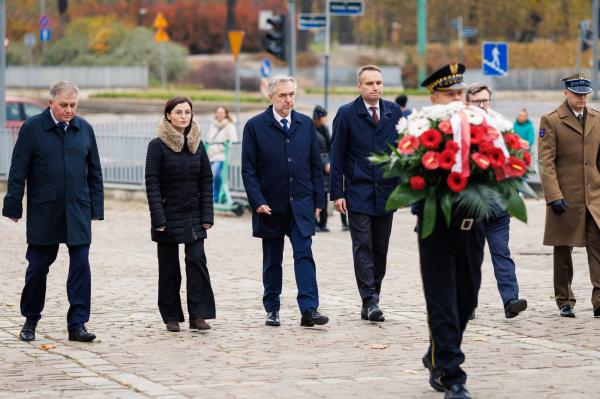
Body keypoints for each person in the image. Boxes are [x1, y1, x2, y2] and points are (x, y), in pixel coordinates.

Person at [2, 80, 103, 342]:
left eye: (73, 105)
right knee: (37, 267)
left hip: (78, 209)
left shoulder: (85, 129)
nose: (69, 110)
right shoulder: (33, 128)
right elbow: (18, 170)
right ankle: (30, 320)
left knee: (81, 266)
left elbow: (95, 172)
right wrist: (14, 205)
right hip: (44, 210)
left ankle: (78, 324)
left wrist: (96, 208)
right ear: (51, 103)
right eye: (64, 105)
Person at [417, 63, 485, 399]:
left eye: (460, 92)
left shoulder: (482, 128)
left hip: (473, 227)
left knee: (467, 298)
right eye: (449, 93)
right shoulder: (419, 130)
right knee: (442, 301)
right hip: (436, 229)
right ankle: (451, 374)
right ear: (434, 98)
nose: (457, 99)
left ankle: (437, 354)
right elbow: (405, 176)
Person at [241, 75, 329, 327]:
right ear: (271, 96)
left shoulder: (305, 124)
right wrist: (257, 200)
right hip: (269, 205)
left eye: (291, 94)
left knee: (304, 255)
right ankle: (272, 308)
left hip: (301, 203)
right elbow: (248, 169)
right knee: (272, 260)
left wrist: (319, 201)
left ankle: (309, 309)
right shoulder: (255, 126)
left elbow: (315, 165)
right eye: (283, 95)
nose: (288, 100)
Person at [329, 65, 402, 323]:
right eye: (370, 83)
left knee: (380, 248)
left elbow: (402, 152)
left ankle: (373, 298)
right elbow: (336, 156)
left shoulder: (394, 112)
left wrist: (403, 188)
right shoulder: (347, 114)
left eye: (379, 83)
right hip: (358, 191)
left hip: (386, 192)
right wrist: (337, 192)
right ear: (359, 86)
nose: (376, 87)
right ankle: (370, 300)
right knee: (362, 246)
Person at [145, 96, 216, 332]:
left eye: (187, 112)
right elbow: (152, 182)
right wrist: (158, 218)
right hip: (167, 214)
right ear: (168, 115)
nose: (184, 116)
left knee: (197, 261)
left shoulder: (197, 143)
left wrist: (207, 216)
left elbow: (206, 179)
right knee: (169, 268)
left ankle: (199, 315)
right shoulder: (157, 145)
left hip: (193, 215)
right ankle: (171, 315)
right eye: (179, 112)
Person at [538, 72, 600, 319]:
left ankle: (599, 301)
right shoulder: (551, 120)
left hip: (594, 197)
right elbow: (545, 162)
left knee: (597, 248)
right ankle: (565, 300)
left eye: (585, 93)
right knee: (563, 251)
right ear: (565, 92)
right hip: (565, 197)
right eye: (577, 93)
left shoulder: (597, 118)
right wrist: (553, 195)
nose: (582, 98)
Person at [465, 83, 528, 320]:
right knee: (471, 257)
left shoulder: (502, 127)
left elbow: (516, 163)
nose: (482, 105)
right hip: (472, 207)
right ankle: (467, 303)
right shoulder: (460, 130)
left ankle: (511, 300)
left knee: (502, 253)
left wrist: (515, 195)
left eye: (486, 101)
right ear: (467, 103)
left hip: (499, 207)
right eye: (477, 101)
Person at [206, 106, 238, 203]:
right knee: (218, 178)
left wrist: (218, 148)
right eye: (218, 112)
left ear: (225, 114)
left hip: (221, 157)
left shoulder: (229, 126)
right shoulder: (213, 125)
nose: (219, 114)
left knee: (212, 175)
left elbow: (233, 141)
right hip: (210, 156)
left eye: (222, 112)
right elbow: (208, 140)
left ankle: (213, 198)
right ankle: (216, 198)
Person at [313, 105, 331, 232]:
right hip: (316, 166)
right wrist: (324, 162)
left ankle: (323, 223)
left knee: (324, 194)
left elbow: (330, 148)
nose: (325, 119)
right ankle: (314, 222)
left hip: (326, 166)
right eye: (324, 116)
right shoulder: (310, 129)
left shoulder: (324, 129)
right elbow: (313, 151)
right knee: (314, 194)